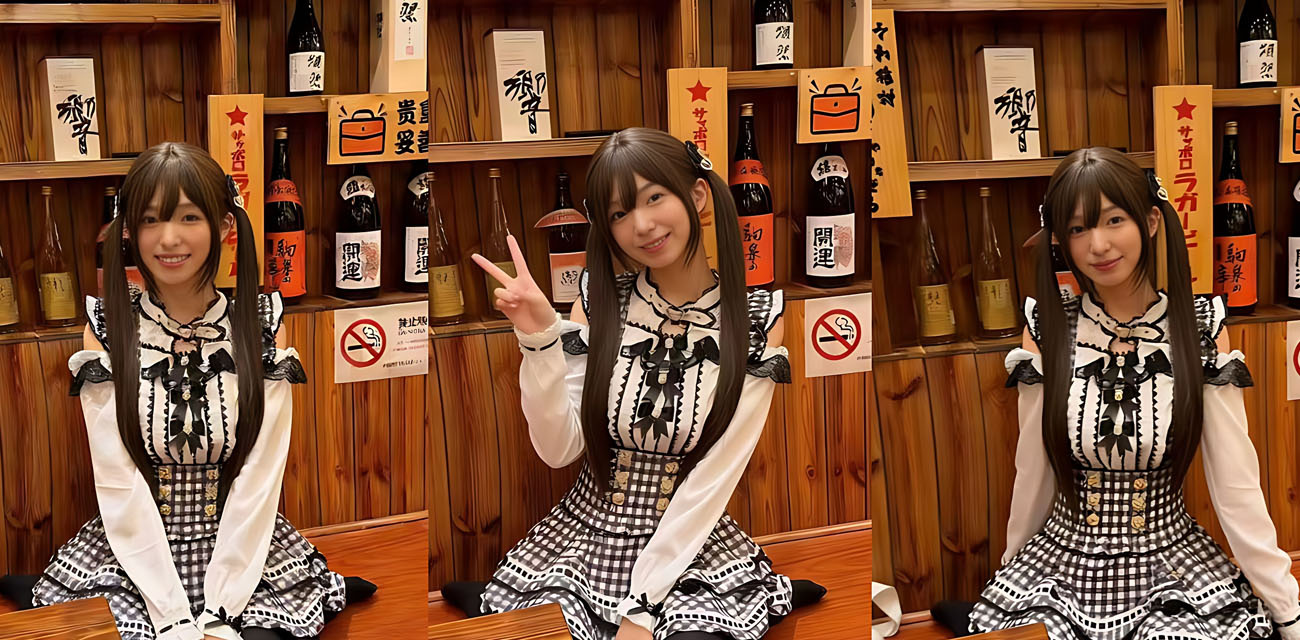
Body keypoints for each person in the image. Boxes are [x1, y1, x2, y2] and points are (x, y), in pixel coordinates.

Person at [453, 128, 822, 640]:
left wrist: (642, 607)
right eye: (619, 213)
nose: (641, 225)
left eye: (654, 198)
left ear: (697, 195)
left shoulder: (758, 318)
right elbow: (559, 450)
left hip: (690, 545)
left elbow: (713, 477)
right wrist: (538, 339)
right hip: (586, 541)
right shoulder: (599, 302)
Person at [12, 143, 372, 639]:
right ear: (129, 230)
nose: (168, 238)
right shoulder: (107, 327)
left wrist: (222, 605)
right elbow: (117, 479)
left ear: (224, 225)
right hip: (134, 549)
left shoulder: (262, 323)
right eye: (150, 219)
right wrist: (170, 614)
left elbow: (261, 473)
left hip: (243, 545)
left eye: (188, 217)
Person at [965, 147, 1300, 639]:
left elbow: (1236, 486)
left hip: (1171, 565)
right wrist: (1012, 575)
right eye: (1078, 229)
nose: (1098, 245)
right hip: (1062, 564)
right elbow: (1032, 472)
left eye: (1114, 220)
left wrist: (1286, 611)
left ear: (1151, 221)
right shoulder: (1046, 326)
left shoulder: (1201, 326)